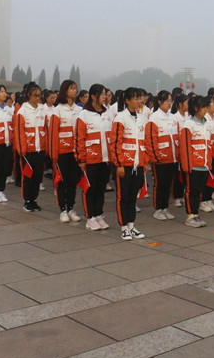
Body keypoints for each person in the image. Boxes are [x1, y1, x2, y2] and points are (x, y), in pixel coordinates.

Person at [109, 87, 148, 240]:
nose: (140, 101)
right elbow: (115, 143)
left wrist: (144, 162)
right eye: (136, 98)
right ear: (127, 100)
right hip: (124, 164)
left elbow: (144, 142)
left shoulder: (142, 118)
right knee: (123, 197)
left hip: (138, 165)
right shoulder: (120, 118)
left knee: (133, 197)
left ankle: (132, 225)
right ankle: (124, 227)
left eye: (140, 98)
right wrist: (119, 164)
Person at [75, 84, 112, 229]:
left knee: (101, 189)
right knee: (90, 189)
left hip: (105, 158)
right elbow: (79, 138)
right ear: (93, 96)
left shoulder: (108, 113)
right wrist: (81, 159)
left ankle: (98, 214)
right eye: (102, 94)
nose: (104, 97)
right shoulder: (84, 114)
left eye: (105, 94)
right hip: (90, 159)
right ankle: (90, 217)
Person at [48, 80, 83, 223]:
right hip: (62, 152)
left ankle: (71, 208)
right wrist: (54, 155)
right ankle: (62, 210)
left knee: (73, 181)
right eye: (72, 88)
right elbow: (53, 134)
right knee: (62, 181)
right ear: (65, 90)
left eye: (75, 88)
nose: (75, 90)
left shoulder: (79, 110)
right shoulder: (57, 110)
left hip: (75, 151)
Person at [145, 90, 178, 221]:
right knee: (160, 184)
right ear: (159, 102)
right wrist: (155, 157)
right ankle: (158, 209)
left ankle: (165, 208)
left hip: (172, 157)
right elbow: (151, 139)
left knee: (168, 184)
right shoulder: (154, 118)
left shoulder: (172, 117)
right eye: (166, 101)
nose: (169, 104)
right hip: (160, 158)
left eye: (171, 101)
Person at [179, 95, 212, 227]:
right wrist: (187, 166)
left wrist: (209, 163)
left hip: (204, 165)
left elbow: (208, 145)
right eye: (203, 107)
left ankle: (196, 214)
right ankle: (190, 216)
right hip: (193, 165)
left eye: (206, 107)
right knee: (191, 191)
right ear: (196, 108)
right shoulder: (188, 125)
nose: (205, 109)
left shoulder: (206, 124)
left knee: (198, 191)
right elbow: (185, 147)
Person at [16, 85, 47, 212]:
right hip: (28, 150)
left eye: (40, 95)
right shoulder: (22, 111)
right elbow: (19, 132)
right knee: (28, 176)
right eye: (35, 95)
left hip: (40, 149)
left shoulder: (43, 109)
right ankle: (27, 200)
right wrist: (22, 150)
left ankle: (33, 199)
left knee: (38, 176)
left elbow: (46, 129)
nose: (38, 98)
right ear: (29, 95)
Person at [170, 94, 188, 208]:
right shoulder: (174, 118)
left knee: (184, 175)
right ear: (180, 104)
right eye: (187, 103)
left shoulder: (188, 117)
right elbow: (175, 136)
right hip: (178, 150)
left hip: (186, 151)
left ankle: (182, 195)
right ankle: (176, 196)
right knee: (177, 176)